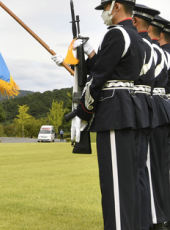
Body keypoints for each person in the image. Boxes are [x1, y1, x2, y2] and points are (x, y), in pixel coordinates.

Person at [52, 0, 145, 229]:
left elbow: (97, 78)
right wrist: (74, 62)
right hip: (129, 110)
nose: (104, 12)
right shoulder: (134, 37)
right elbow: (106, 68)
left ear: (117, 6)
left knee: (114, 184)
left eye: (105, 7)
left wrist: (84, 110)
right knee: (127, 182)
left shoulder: (116, 34)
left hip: (114, 112)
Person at [132, 4, 159, 229]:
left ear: (135, 21)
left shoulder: (138, 45)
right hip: (153, 105)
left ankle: (150, 218)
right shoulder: (157, 50)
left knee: (144, 167)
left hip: (138, 106)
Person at [147, 15, 170, 230]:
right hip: (165, 109)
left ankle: (158, 218)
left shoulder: (157, 54)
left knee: (154, 168)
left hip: (156, 110)